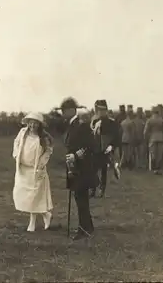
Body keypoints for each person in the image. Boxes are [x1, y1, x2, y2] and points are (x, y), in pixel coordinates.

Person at [57, 97, 97, 240]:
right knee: (79, 198)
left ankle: (84, 229)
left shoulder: (82, 125)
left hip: (82, 169)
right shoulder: (71, 125)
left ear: (71, 111)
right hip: (74, 168)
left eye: (64, 111)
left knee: (81, 199)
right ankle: (87, 227)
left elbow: (90, 146)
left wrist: (76, 156)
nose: (62, 114)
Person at [12, 112, 53, 232]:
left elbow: (48, 151)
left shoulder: (43, 138)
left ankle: (32, 223)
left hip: (36, 170)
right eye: (31, 122)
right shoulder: (23, 132)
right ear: (28, 122)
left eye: (35, 123)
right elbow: (16, 143)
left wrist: (41, 164)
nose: (32, 125)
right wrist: (16, 154)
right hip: (23, 170)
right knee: (22, 194)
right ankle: (46, 214)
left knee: (33, 196)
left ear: (39, 125)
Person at [89, 100, 121, 198]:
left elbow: (116, 137)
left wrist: (111, 146)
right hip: (94, 148)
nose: (100, 112)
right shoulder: (93, 121)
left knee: (103, 170)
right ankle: (93, 189)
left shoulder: (112, 123)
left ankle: (102, 190)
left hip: (105, 149)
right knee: (92, 170)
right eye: (98, 110)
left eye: (102, 110)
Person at [144, 106, 163, 175]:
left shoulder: (150, 120)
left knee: (153, 154)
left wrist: (145, 137)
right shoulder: (161, 120)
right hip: (160, 137)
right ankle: (158, 169)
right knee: (159, 154)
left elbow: (145, 131)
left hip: (153, 137)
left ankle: (154, 169)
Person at [119, 105, 136, 170]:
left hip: (124, 138)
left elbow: (121, 131)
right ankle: (129, 165)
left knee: (124, 152)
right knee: (129, 152)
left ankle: (121, 164)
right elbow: (133, 132)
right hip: (129, 138)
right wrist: (133, 138)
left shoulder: (123, 122)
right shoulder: (131, 122)